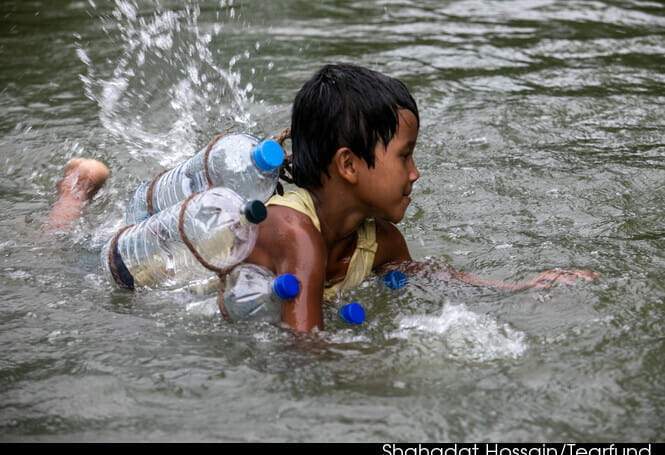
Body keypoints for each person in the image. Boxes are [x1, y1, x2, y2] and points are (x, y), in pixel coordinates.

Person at [46, 63, 599, 333]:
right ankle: (74, 191)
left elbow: (421, 272)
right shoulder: (296, 236)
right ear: (348, 166)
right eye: (405, 155)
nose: (416, 172)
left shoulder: (378, 240)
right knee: (66, 249)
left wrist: (516, 288)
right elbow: (303, 346)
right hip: (149, 269)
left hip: (204, 261)